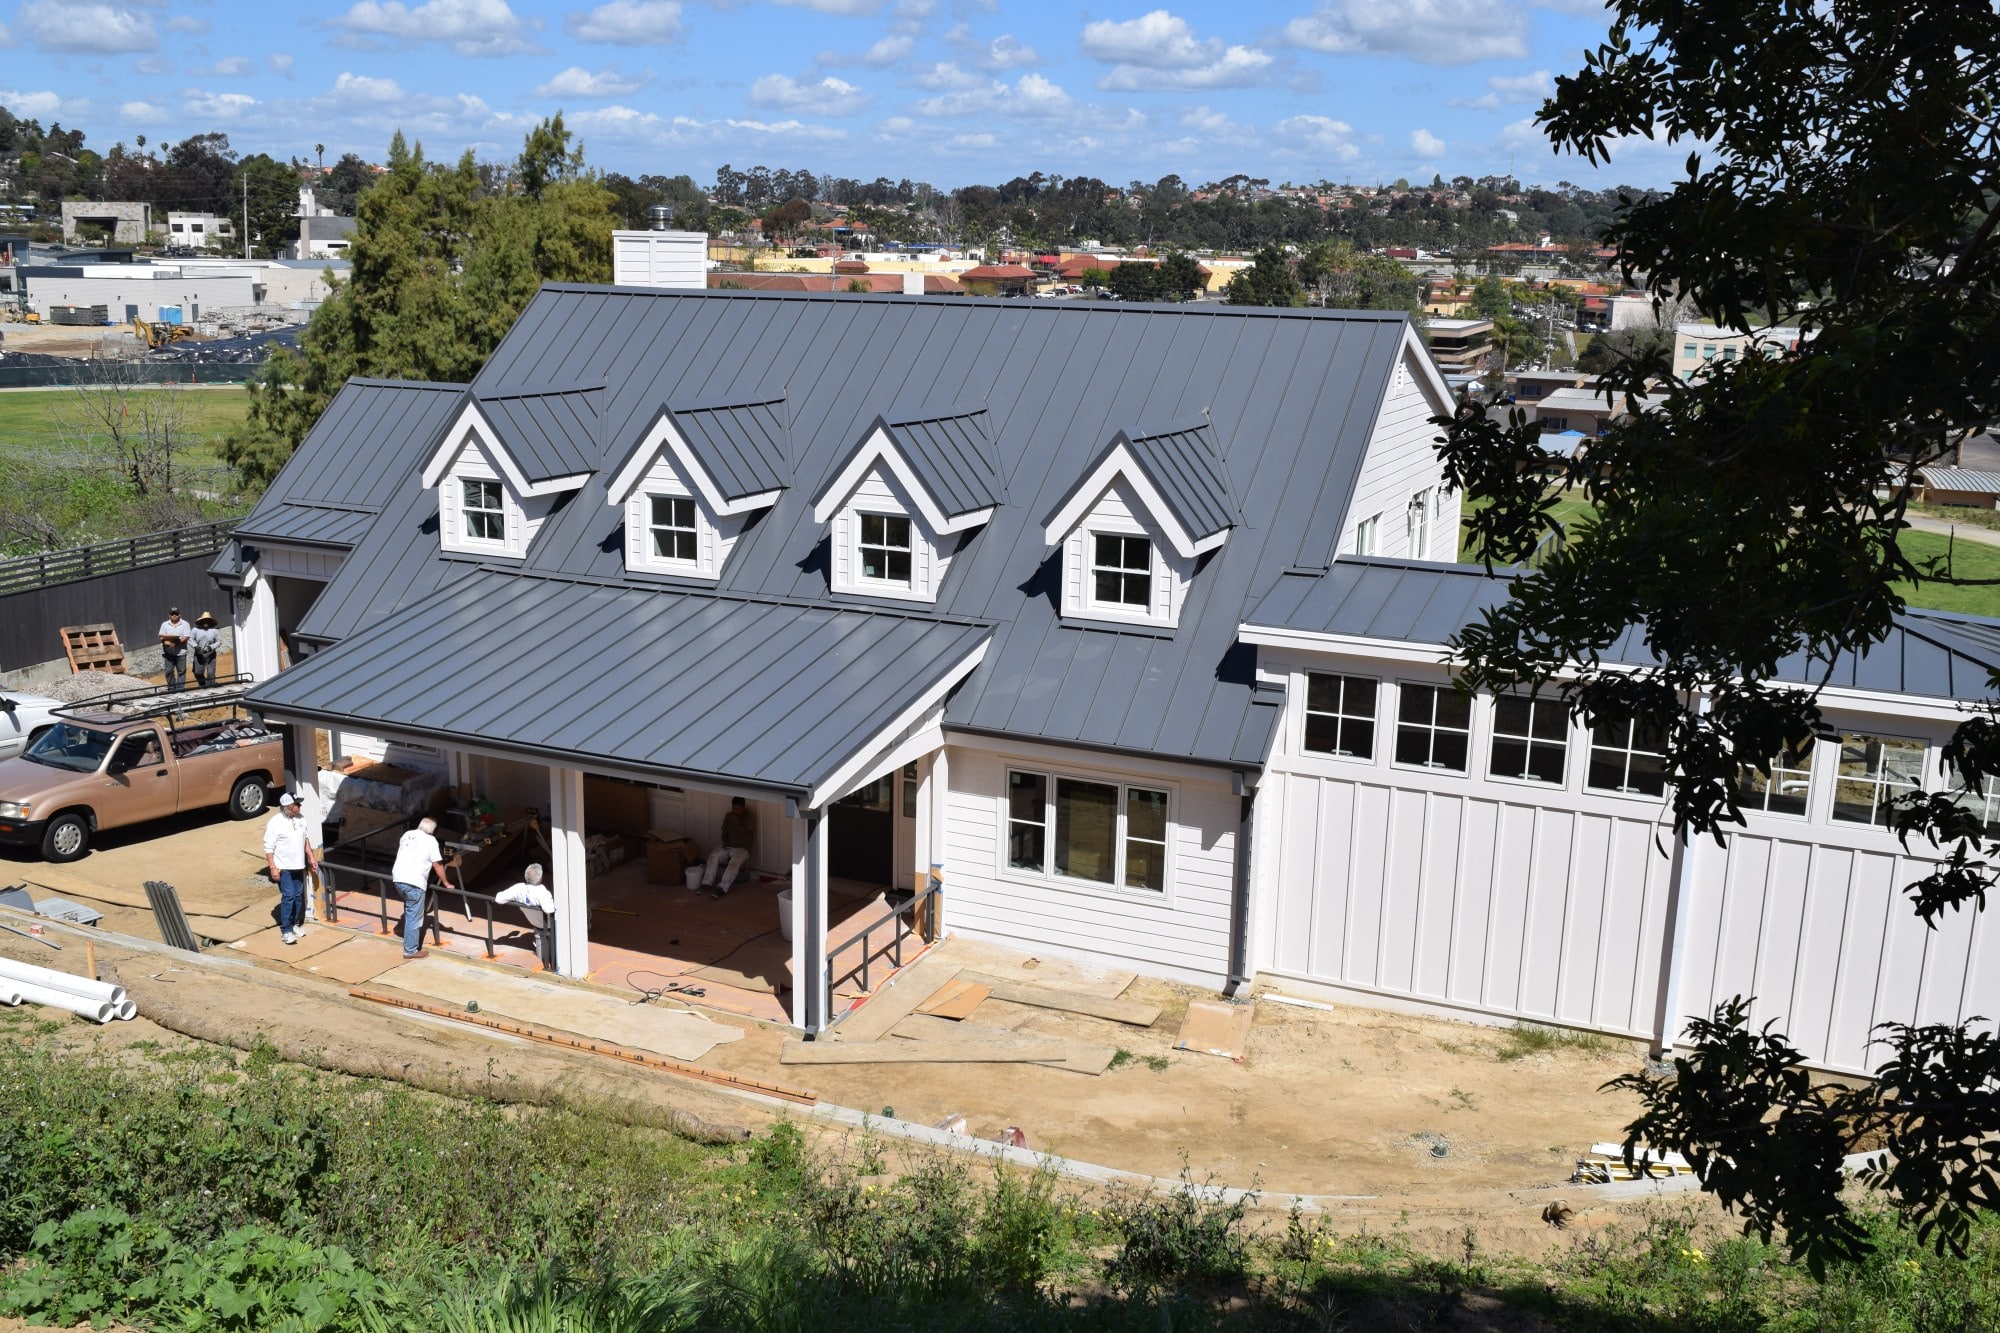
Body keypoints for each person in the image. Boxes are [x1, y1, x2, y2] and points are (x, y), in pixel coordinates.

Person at [262, 792, 317, 945]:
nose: (299, 806)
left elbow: (305, 839)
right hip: (283, 867)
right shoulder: (275, 823)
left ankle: (294, 924)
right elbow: (268, 847)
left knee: (298, 895)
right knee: (289, 896)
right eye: (296, 804)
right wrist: (272, 868)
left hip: (298, 865)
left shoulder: (301, 819)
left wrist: (311, 857)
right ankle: (286, 930)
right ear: (288, 807)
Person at [390, 817, 447, 961]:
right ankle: (410, 950)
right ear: (432, 831)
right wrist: (446, 882)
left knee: (410, 909)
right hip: (414, 882)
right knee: (415, 918)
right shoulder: (431, 841)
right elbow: (437, 865)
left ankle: (410, 937)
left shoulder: (407, 834)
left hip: (398, 879)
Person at [495, 864, 557, 969]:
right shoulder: (543, 892)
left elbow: (498, 899)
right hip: (550, 925)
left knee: (542, 944)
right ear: (541, 878)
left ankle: (545, 960)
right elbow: (549, 910)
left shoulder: (518, 888)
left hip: (536, 924)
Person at [699, 796, 756, 898]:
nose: (735, 811)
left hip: (743, 848)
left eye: (737, 809)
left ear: (744, 808)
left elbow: (744, 832)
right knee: (713, 856)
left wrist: (735, 819)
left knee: (733, 863)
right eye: (733, 808)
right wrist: (724, 841)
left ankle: (722, 888)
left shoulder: (749, 816)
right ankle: (706, 883)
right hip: (729, 845)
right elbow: (724, 832)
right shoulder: (728, 815)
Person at [157, 608, 192, 692]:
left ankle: (180, 689)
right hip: (169, 652)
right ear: (169, 615)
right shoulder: (165, 624)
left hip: (181, 652)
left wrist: (176, 643)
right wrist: (168, 643)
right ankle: (172, 688)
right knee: (169, 671)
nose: (174, 616)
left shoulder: (185, 624)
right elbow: (162, 637)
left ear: (179, 614)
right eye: (172, 614)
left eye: (176, 614)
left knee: (181, 671)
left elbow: (186, 636)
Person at [188, 611, 222, 689]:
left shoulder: (214, 631)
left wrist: (211, 647)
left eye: (207, 620)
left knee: (211, 673)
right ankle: (203, 684)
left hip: (211, 654)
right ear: (201, 621)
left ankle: (211, 688)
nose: (206, 622)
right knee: (197, 672)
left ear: (210, 621)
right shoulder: (195, 630)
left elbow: (219, 641)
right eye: (204, 620)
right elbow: (190, 639)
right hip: (199, 653)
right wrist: (196, 646)